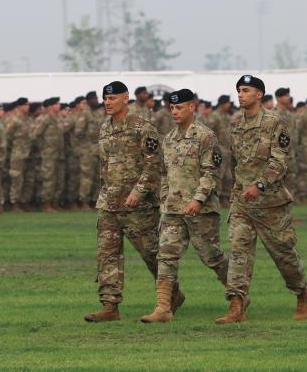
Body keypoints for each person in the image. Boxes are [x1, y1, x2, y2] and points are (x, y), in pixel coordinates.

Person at [216, 75, 307, 324]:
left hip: (270, 202)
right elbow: (236, 164)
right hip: (242, 202)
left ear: (259, 94)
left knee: (283, 254)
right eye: (239, 90)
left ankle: (304, 295)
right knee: (238, 252)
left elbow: (280, 161)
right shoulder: (236, 125)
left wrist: (260, 185)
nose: (240, 94)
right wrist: (236, 192)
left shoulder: (274, 122)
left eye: (246, 90)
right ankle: (236, 305)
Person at [84, 81, 182, 322]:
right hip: (109, 202)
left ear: (125, 98)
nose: (107, 103)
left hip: (138, 205)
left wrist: (138, 192)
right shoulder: (105, 127)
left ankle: (172, 294)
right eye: (105, 99)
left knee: (151, 254)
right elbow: (105, 166)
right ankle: (109, 305)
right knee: (107, 255)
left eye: (112, 98)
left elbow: (154, 164)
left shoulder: (142, 127)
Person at [142, 89, 228, 323]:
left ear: (192, 107)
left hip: (200, 209)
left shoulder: (205, 136)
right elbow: (163, 174)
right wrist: (164, 200)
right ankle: (163, 308)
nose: (175, 112)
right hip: (173, 209)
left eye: (179, 107)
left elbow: (211, 173)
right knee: (165, 256)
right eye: (172, 108)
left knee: (212, 256)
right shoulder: (169, 139)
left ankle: (237, 294)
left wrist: (198, 199)